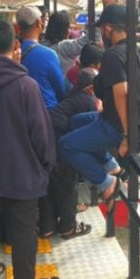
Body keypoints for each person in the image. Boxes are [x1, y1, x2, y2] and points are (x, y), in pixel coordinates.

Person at [0, 19, 59, 279]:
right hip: (22, 173)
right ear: (16, 45)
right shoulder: (26, 86)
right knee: (23, 229)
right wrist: (46, 165)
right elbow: (41, 135)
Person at [59, 5, 140, 212]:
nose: (102, 34)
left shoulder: (112, 55)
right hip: (126, 120)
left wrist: (127, 135)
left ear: (108, 29)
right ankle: (113, 168)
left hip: (118, 126)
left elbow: (123, 92)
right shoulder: (136, 52)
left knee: (66, 145)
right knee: (77, 121)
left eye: (102, 29)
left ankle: (108, 183)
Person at [39, 68, 98, 239]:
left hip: (46, 140)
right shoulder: (87, 100)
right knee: (67, 184)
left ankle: (47, 227)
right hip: (62, 144)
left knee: (50, 183)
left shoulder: (71, 96)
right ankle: (67, 227)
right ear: (90, 88)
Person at [16, 6, 65, 110]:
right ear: (39, 22)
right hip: (46, 111)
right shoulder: (49, 54)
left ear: (18, 27)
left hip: (20, 111)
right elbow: (60, 89)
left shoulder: (13, 53)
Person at [42, 11, 92, 76]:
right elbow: (88, 40)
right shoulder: (64, 46)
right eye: (68, 28)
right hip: (63, 84)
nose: (70, 31)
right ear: (62, 29)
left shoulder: (42, 44)